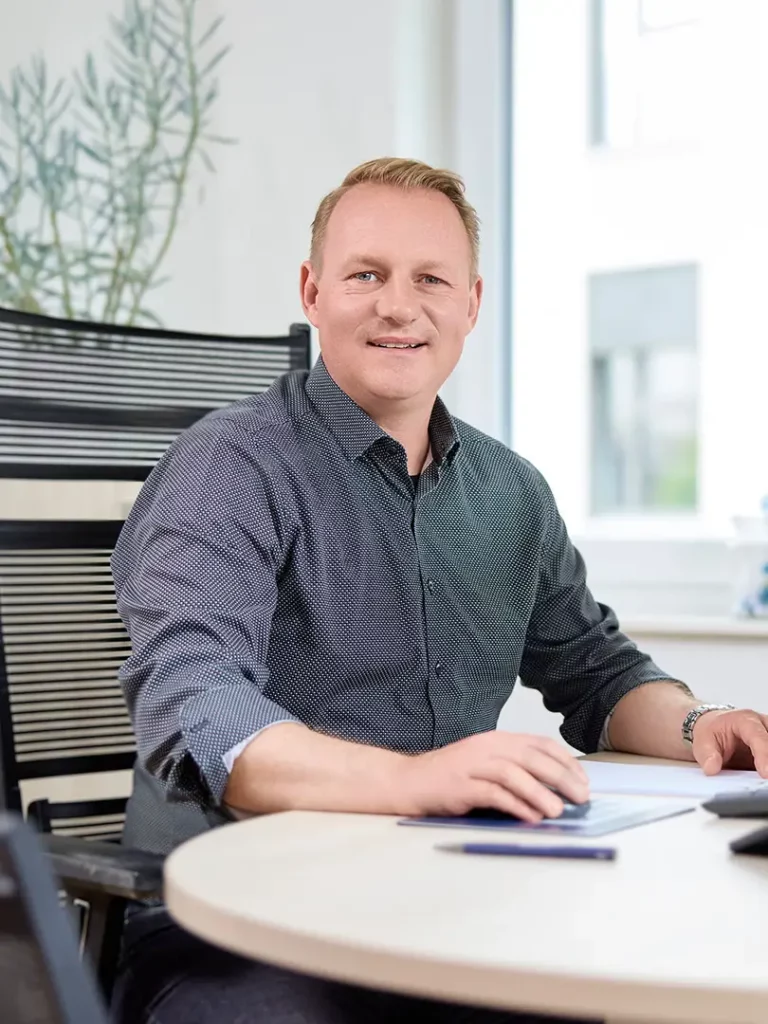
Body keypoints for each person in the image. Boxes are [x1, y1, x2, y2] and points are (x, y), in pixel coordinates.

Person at [110, 157, 768, 1024]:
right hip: (235, 922)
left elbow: (598, 673)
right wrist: (416, 780)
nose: (398, 305)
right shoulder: (229, 466)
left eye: (430, 278)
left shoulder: (511, 491)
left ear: (471, 304)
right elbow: (199, 707)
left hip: (444, 902)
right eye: (366, 275)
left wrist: (701, 725)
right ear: (312, 292)